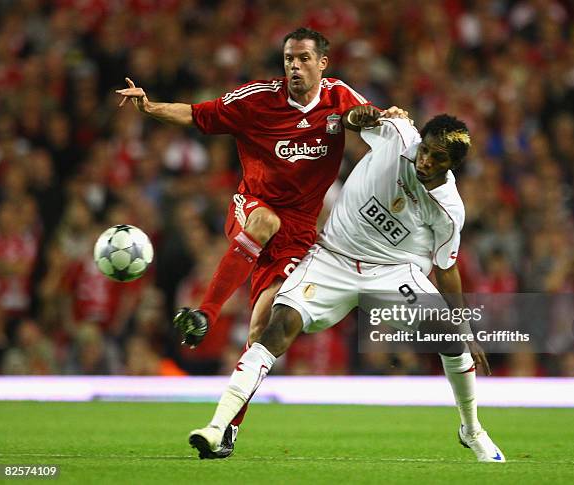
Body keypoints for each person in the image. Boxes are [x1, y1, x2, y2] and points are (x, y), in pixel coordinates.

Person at [116, 27, 406, 456]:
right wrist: (151, 106)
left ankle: (227, 428)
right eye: (289, 58)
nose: (295, 66)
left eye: (304, 58)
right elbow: (198, 115)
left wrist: (389, 117)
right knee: (265, 221)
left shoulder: (339, 96)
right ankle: (206, 314)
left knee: (263, 329)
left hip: (301, 235)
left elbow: (368, 119)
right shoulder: (254, 100)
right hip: (252, 206)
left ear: (322, 64)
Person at [187, 114, 506, 463]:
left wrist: (464, 327)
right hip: (332, 258)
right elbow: (349, 119)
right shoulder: (400, 136)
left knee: (450, 337)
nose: (426, 160)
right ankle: (217, 427)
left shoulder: (448, 208)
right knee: (277, 327)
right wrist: (362, 115)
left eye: (438, 158)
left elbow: (447, 269)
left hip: (391, 274)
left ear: (454, 165)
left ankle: (472, 430)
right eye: (426, 151)